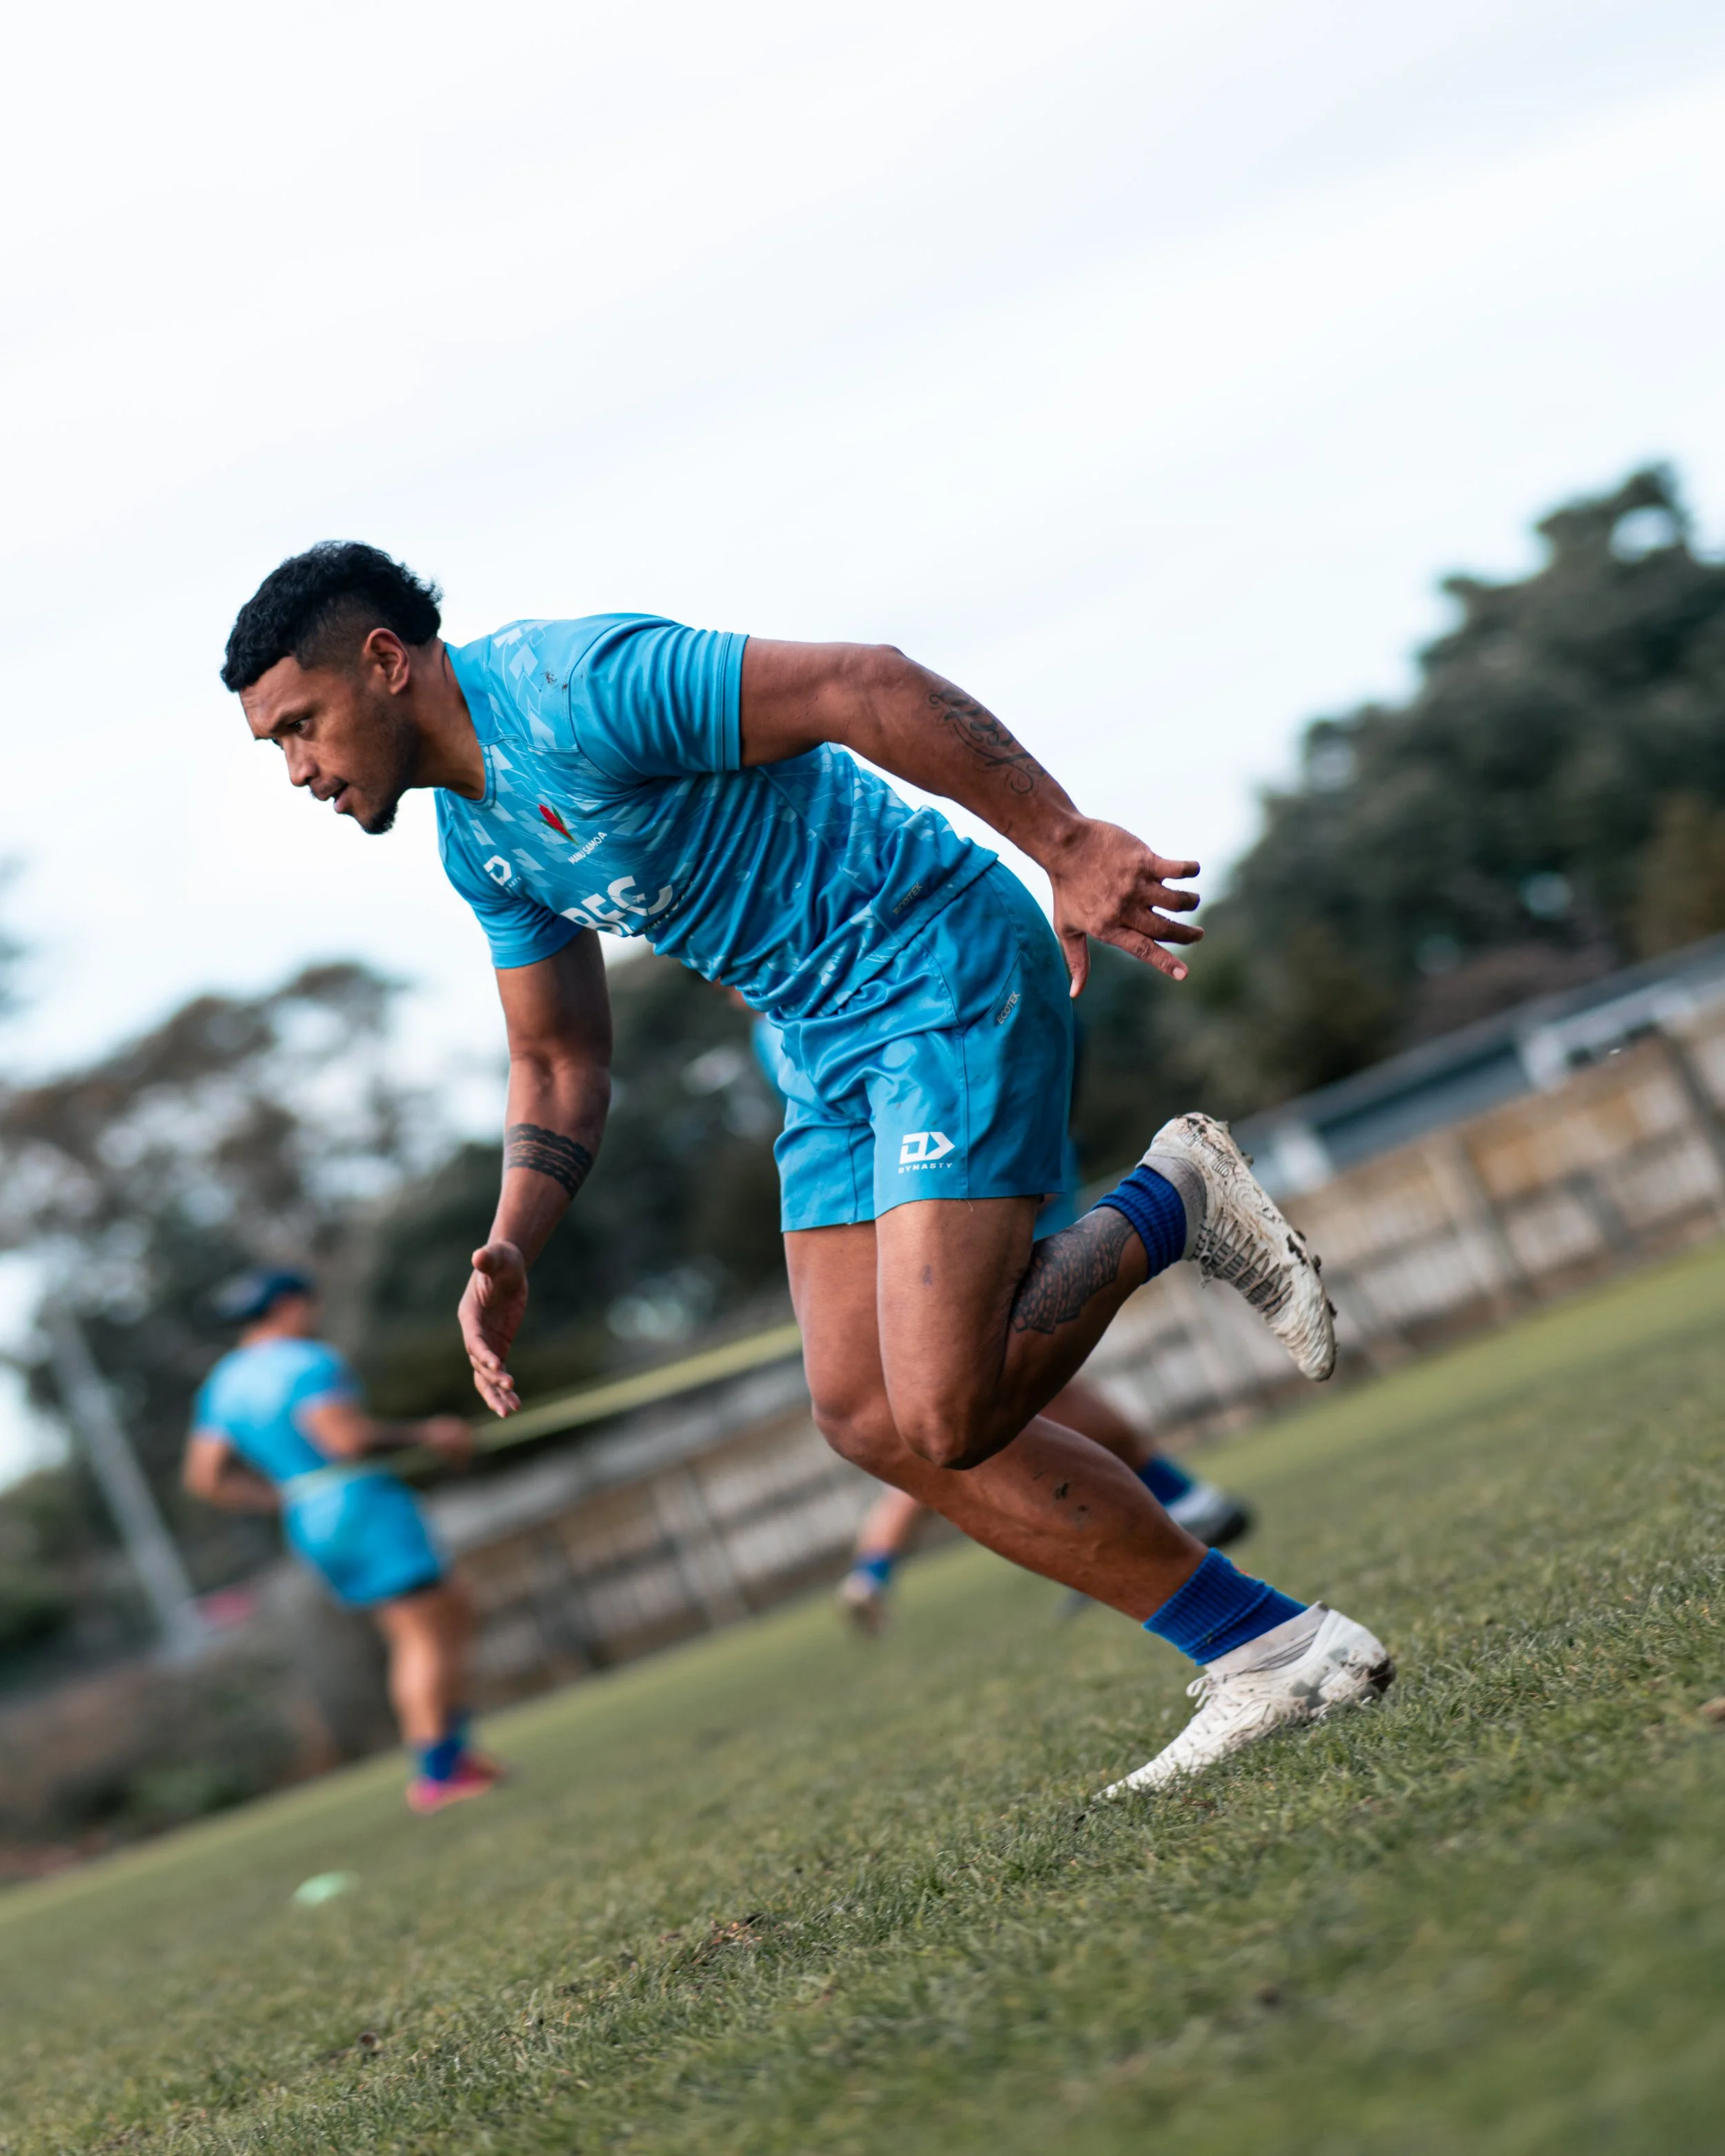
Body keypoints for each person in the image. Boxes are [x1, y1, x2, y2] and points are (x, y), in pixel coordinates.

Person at [221, 542, 1394, 1795]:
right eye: (274, 747)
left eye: (302, 726)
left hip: (934, 966)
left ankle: (1180, 1200)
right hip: (819, 1043)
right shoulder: (477, 843)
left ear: (386, 664)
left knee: (947, 1409)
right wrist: (512, 1245)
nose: (298, 769)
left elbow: (864, 684)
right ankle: (1271, 1649)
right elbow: (559, 1058)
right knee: (869, 1420)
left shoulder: (578, 686)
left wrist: (1064, 843)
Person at [749, 1014, 1254, 1631]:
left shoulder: (835, 967)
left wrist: (1037, 1117)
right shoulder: (769, 1023)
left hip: (954, 1148)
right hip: (895, 1169)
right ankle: (1193, 1523)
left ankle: (1173, 1197)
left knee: (966, 1388)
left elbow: (1055, 1017)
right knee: (916, 1408)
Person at [182, 1268, 502, 1813]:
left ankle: (455, 1755)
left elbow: (205, 1478)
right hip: (360, 1504)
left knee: (450, 1610)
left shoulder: (224, 1383)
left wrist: (280, 1495)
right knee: (421, 1634)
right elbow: (344, 1438)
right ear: (288, 1305)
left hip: (309, 1513)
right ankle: (437, 1773)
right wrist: (430, 1433)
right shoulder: (308, 1361)